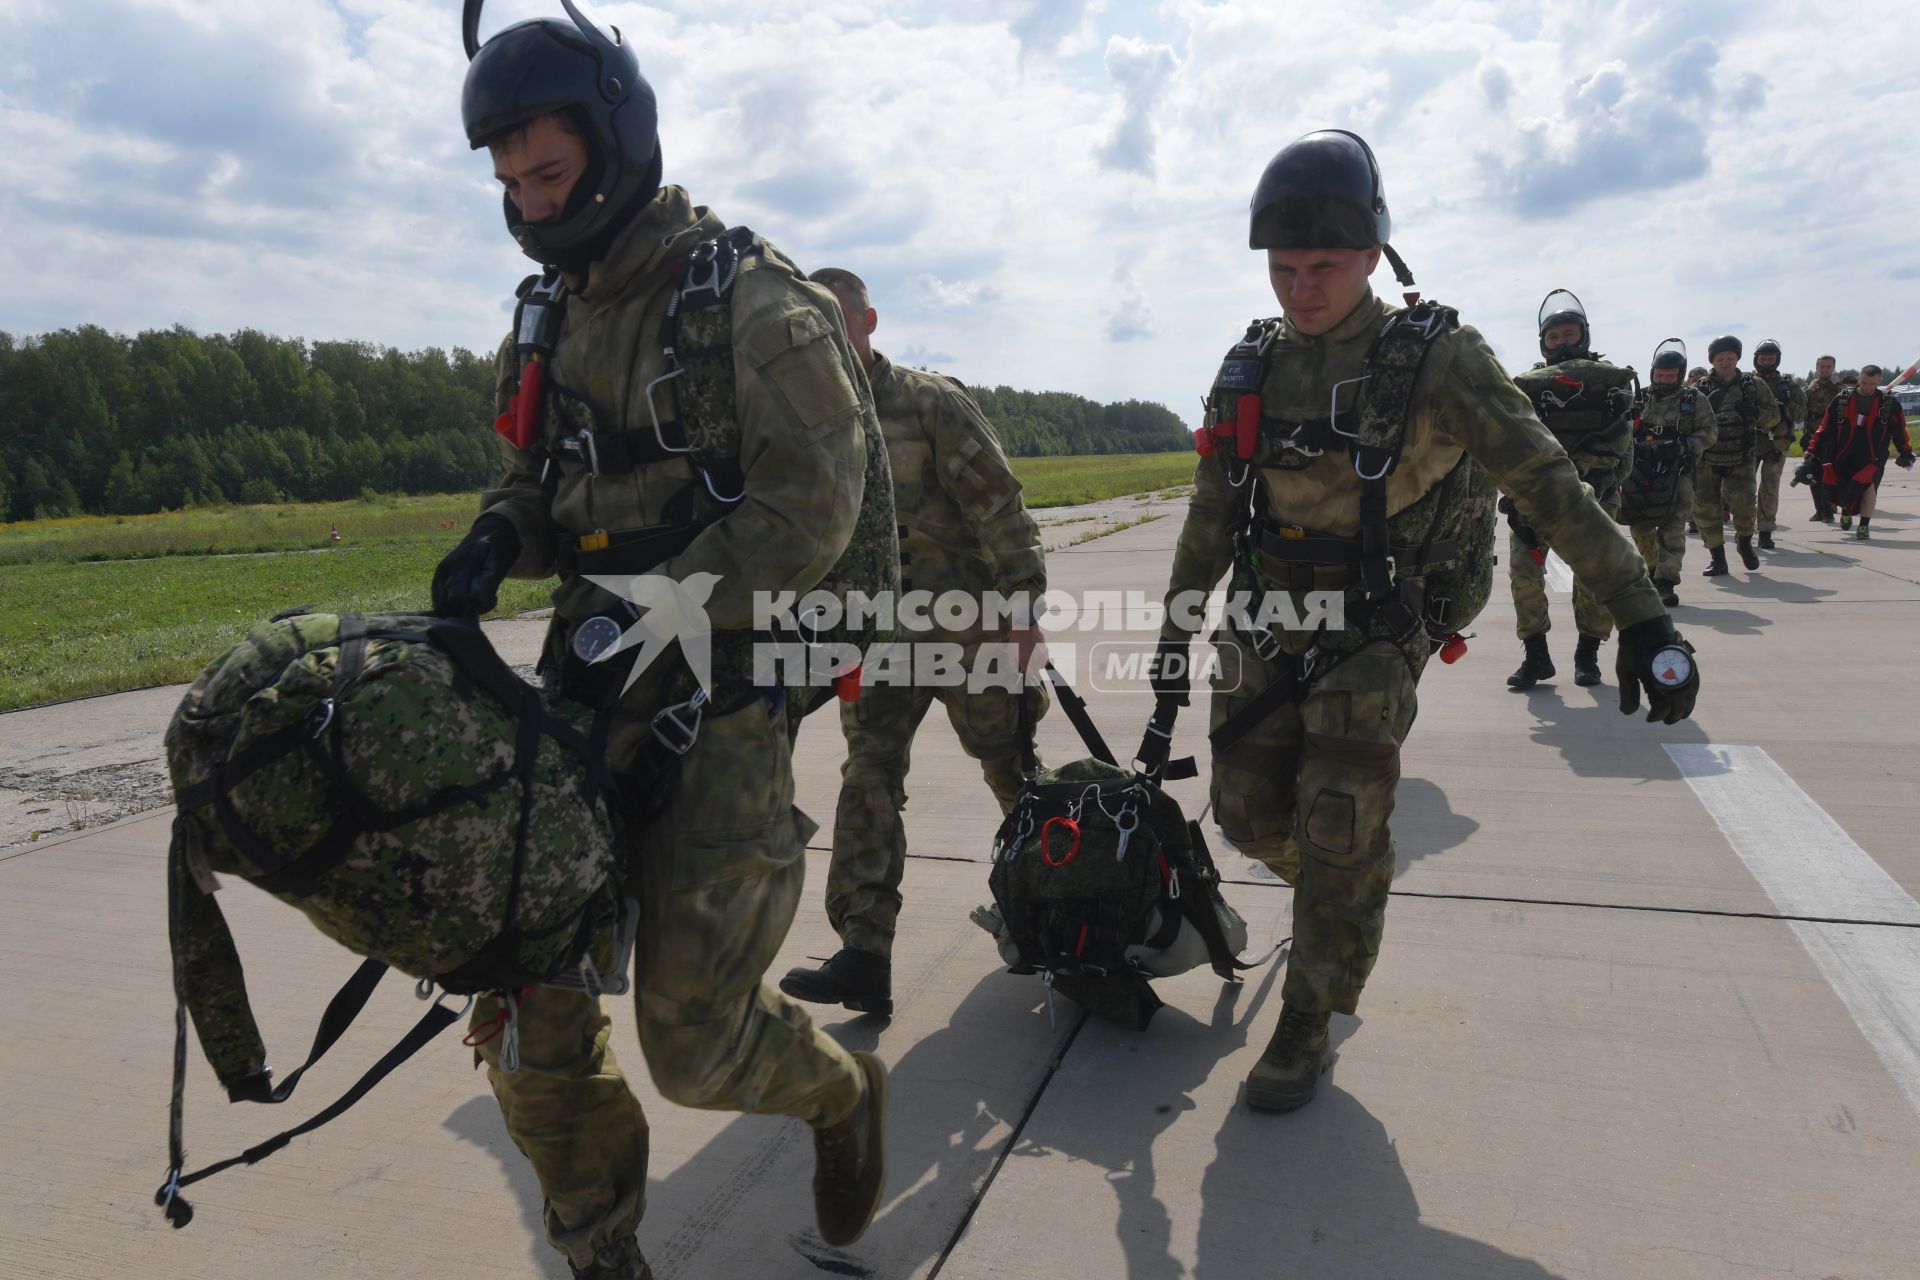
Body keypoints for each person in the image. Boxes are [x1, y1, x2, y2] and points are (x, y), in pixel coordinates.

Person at [432, 10, 887, 1275]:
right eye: (510, 182)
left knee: (693, 1047)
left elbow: (812, 510)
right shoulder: (544, 315)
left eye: (549, 174)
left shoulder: (751, 304)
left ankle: (844, 1094)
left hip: (716, 711)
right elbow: (539, 479)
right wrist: (495, 537)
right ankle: (598, 1246)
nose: (528, 205)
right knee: (531, 1007)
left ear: (616, 142)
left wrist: (660, 608)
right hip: (578, 693)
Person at [1153, 129, 1698, 1115]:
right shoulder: (1252, 363)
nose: (1302, 287)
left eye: (1324, 266)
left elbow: (1549, 480)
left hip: (1375, 621)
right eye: (1284, 268)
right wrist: (1172, 638)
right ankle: (1346, 889)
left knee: (1334, 822)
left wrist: (1643, 613)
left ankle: (1310, 1015)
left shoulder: (1436, 357)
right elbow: (1209, 510)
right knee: (1248, 814)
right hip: (1268, 612)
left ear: (1372, 256)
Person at [779, 267, 1049, 1017]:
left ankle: (1060, 912)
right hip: (877, 641)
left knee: (1014, 774)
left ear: (869, 322)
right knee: (867, 778)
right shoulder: (808, 419)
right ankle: (865, 954)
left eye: (841, 319)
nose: (829, 335)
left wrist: (1025, 612)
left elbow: (1001, 504)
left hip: (973, 632)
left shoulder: (930, 402)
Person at [1502, 290, 1637, 689]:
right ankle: (1536, 656)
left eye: (1569, 333)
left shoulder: (1611, 383)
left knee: (1595, 578)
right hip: (1536, 498)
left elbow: (1619, 445)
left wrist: (1586, 478)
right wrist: (1513, 495)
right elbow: (1512, 441)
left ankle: (1588, 655)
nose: (1562, 342)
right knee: (1524, 574)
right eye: (1553, 336)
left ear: (1585, 335)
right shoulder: (1529, 386)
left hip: (1594, 494)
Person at [1622, 341, 1713, 606]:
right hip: (1640, 473)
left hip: (1678, 472)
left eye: (1671, 376)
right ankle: (1651, 571)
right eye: (1660, 375)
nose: (1664, 380)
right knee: (1640, 526)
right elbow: (1622, 428)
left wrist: (1682, 447)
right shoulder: (1640, 398)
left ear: (1680, 374)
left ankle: (1666, 582)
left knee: (1673, 529)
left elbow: (1709, 433)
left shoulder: (1694, 400)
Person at [1690, 336, 1782, 578]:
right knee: (1705, 510)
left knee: (1744, 507)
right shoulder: (1700, 388)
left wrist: (1756, 413)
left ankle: (1744, 543)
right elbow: (1685, 420)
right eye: (1720, 358)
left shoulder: (1753, 385)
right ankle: (1717, 558)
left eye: (1730, 357)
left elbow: (1774, 416)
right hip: (1708, 459)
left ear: (1737, 358)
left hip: (1741, 457)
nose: (1725, 362)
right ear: (1712, 360)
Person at [1801, 363, 1915, 538]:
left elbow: (1900, 430)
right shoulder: (1842, 400)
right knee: (1844, 489)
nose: (1867, 387)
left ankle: (1864, 526)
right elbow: (1825, 427)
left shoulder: (1889, 403)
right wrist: (1812, 449)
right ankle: (1846, 510)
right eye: (1863, 383)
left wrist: (1905, 452)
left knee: (1869, 488)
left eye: (1872, 384)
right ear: (1858, 379)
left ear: (1879, 381)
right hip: (1844, 453)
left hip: (1873, 456)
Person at [1751, 339, 1806, 549]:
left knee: (1770, 488)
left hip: (1777, 444)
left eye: (1770, 359)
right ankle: (1744, 529)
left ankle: (1765, 530)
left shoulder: (1788, 385)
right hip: (1750, 443)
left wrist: (1788, 399)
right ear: (1756, 359)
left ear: (1777, 360)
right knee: (1744, 489)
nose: (1766, 362)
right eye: (1762, 358)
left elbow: (1801, 414)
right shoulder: (1747, 382)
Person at [1801, 355, 1844, 523]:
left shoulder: (1839, 388)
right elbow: (1800, 405)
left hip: (1832, 436)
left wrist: (1836, 386)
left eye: (1828, 367)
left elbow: (1847, 401)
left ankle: (1830, 505)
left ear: (1833, 368)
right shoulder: (1811, 387)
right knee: (1811, 473)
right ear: (1817, 367)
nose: (1825, 370)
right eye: (1822, 367)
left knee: (1830, 473)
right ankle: (1820, 509)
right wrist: (1810, 390)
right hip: (1811, 435)